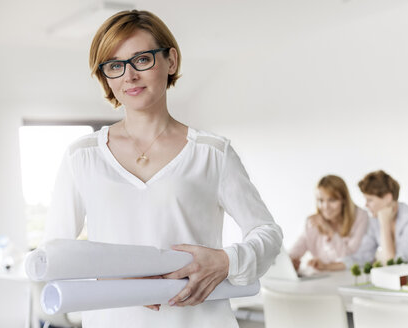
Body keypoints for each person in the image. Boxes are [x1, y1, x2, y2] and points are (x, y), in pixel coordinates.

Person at [44, 10, 282, 328]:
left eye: (142, 59)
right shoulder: (81, 157)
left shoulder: (212, 152)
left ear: (170, 61)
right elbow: (54, 256)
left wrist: (227, 261)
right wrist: (114, 278)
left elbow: (267, 233)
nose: (129, 76)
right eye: (115, 65)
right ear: (105, 77)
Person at [342, 170, 408, 268]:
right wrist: (330, 266)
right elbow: (363, 257)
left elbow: (394, 263)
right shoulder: (374, 222)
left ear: (388, 198)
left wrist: (385, 224)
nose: (366, 205)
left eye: (370, 200)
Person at [289, 175, 368, 272]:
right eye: (321, 200)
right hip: (323, 281)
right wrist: (290, 263)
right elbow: (293, 253)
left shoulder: (360, 217)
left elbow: (349, 259)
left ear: (344, 200)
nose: (325, 206)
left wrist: (330, 231)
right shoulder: (313, 223)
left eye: (332, 200)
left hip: (351, 278)